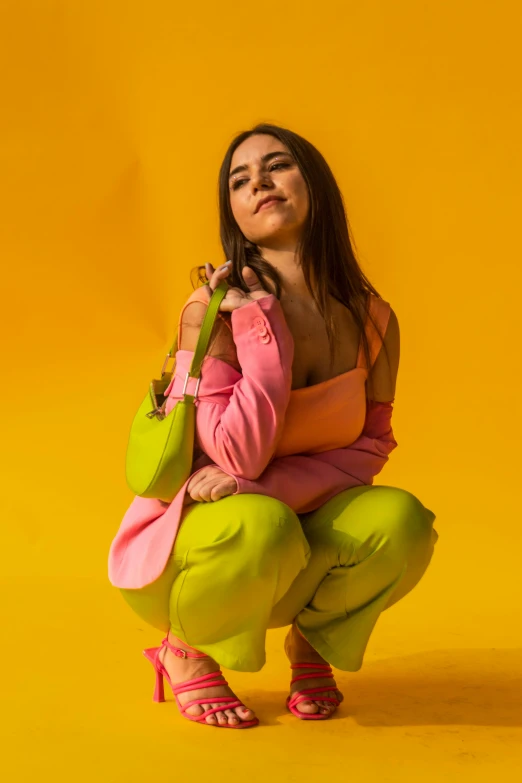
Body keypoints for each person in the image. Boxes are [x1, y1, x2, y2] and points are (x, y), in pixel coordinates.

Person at [108, 123, 438, 729]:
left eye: (276, 165)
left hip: (284, 536)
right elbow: (234, 456)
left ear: (314, 185)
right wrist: (262, 330)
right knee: (262, 523)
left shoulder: (374, 320)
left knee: (402, 520)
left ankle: (313, 642)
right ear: (233, 210)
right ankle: (186, 650)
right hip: (198, 557)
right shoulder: (212, 309)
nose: (258, 181)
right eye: (239, 178)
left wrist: (265, 489)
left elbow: (371, 447)